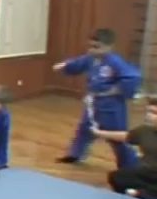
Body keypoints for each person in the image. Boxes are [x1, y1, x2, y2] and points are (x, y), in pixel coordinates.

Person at [53, 28, 141, 169]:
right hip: (94, 103)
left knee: (116, 135)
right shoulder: (90, 58)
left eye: (97, 47)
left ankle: (130, 164)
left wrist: (117, 89)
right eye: (90, 46)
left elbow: (132, 77)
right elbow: (77, 64)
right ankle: (75, 154)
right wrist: (64, 65)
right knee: (84, 129)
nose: (92, 50)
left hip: (111, 105)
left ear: (109, 46)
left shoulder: (115, 62)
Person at [97, 97, 157, 199]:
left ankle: (144, 194)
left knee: (149, 192)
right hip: (148, 173)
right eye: (148, 111)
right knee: (117, 177)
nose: (149, 115)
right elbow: (126, 136)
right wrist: (99, 133)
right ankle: (141, 194)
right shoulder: (144, 130)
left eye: (154, 113)